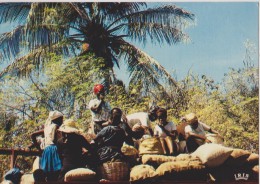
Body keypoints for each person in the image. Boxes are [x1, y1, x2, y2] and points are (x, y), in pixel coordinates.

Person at [40, 110, 63, 181]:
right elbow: (53, 139)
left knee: (49, 171)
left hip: (47, 150)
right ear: (57, 119)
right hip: (53, 149)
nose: (62, 121)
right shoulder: (56, 126)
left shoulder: (46, 128)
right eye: (61, 119)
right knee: (56, 170)